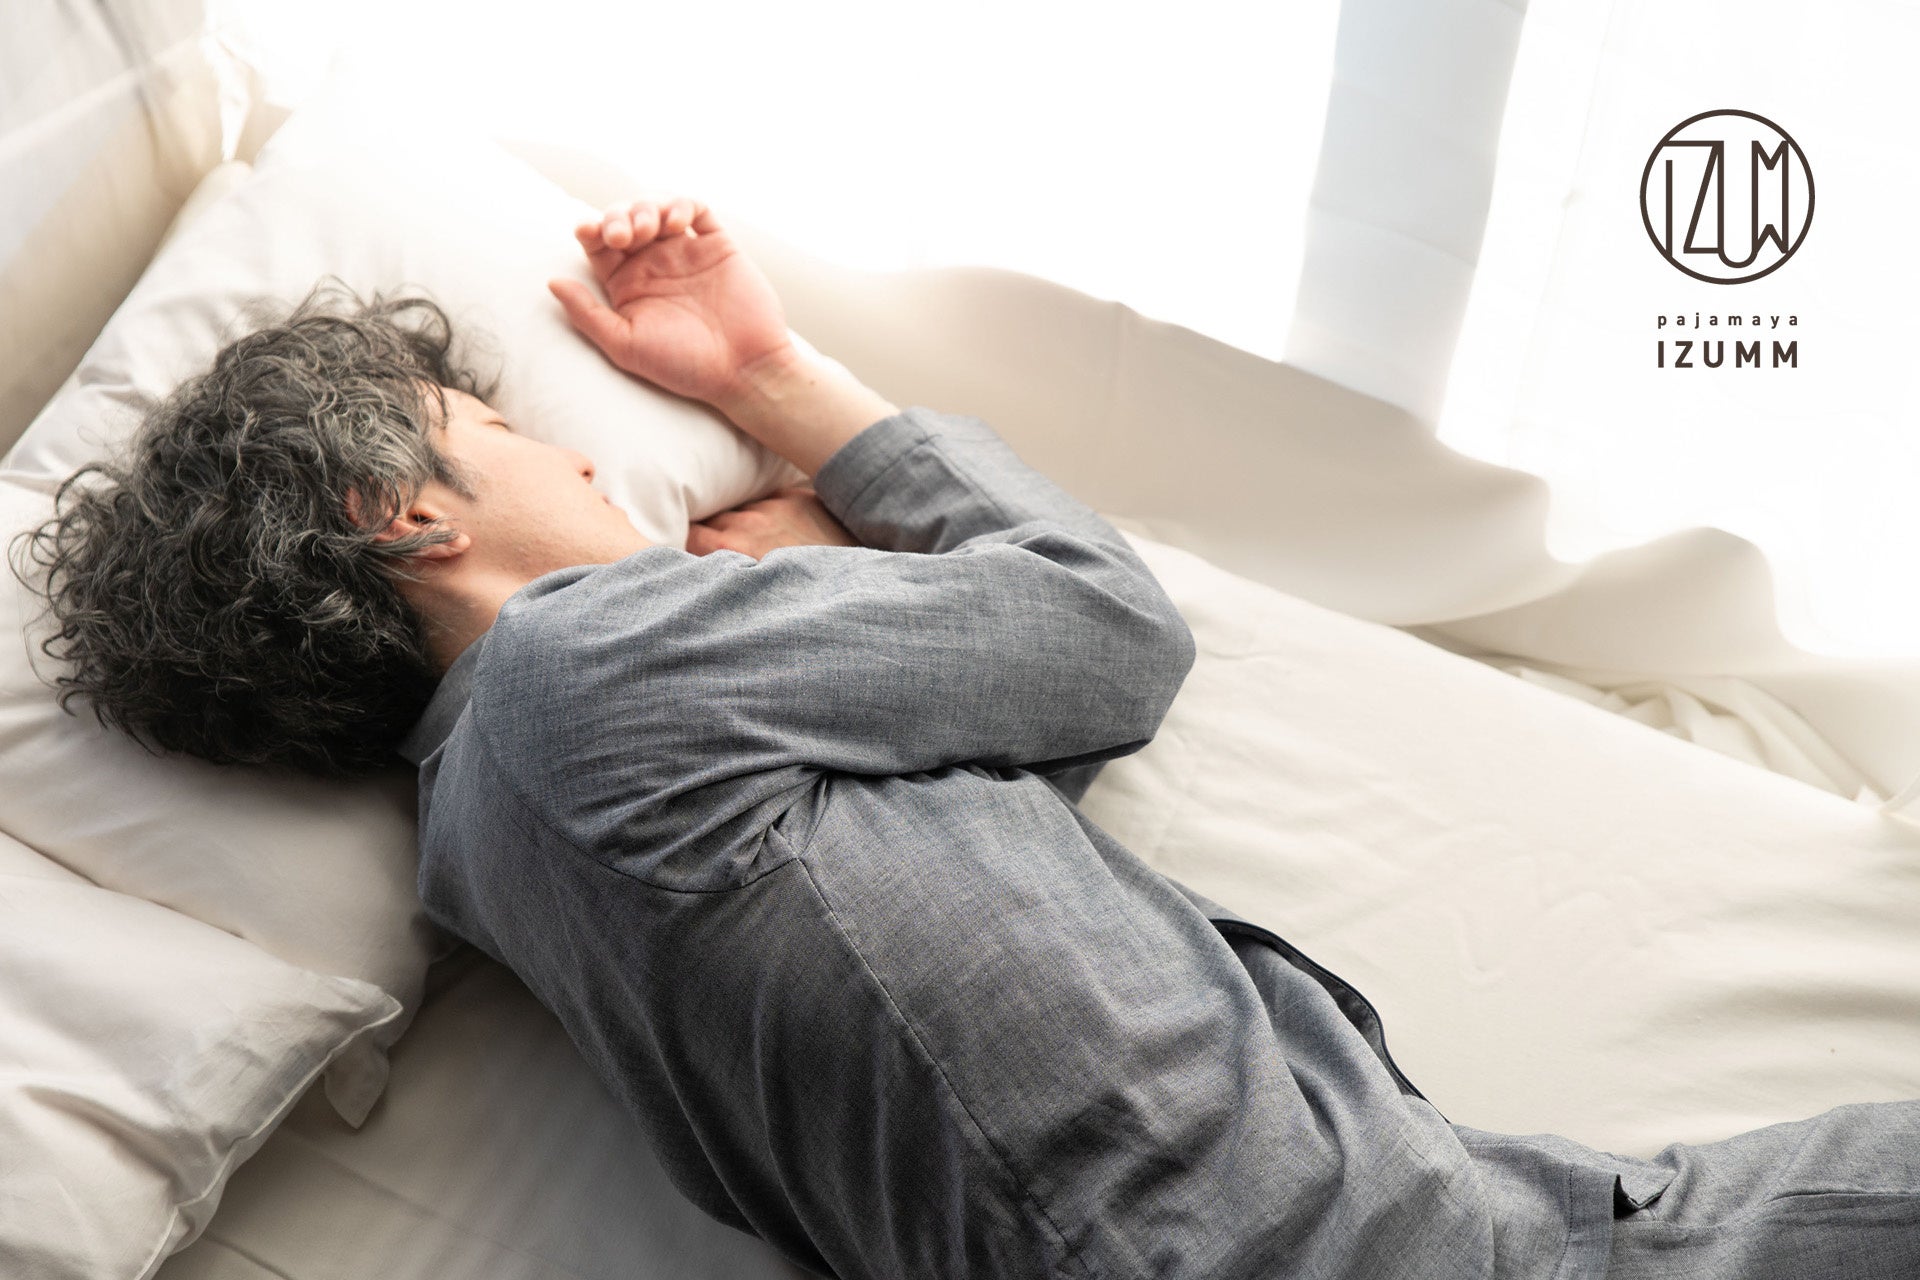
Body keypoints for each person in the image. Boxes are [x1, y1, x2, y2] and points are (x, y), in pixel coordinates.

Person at [13, 195, 1919, 1280]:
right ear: (402, 516)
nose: (589, 461)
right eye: (503, 431)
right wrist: (786, 391)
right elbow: (1106, 637)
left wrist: (838, 600)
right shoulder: (589, 672)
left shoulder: (493, 859)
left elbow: (936, 875)